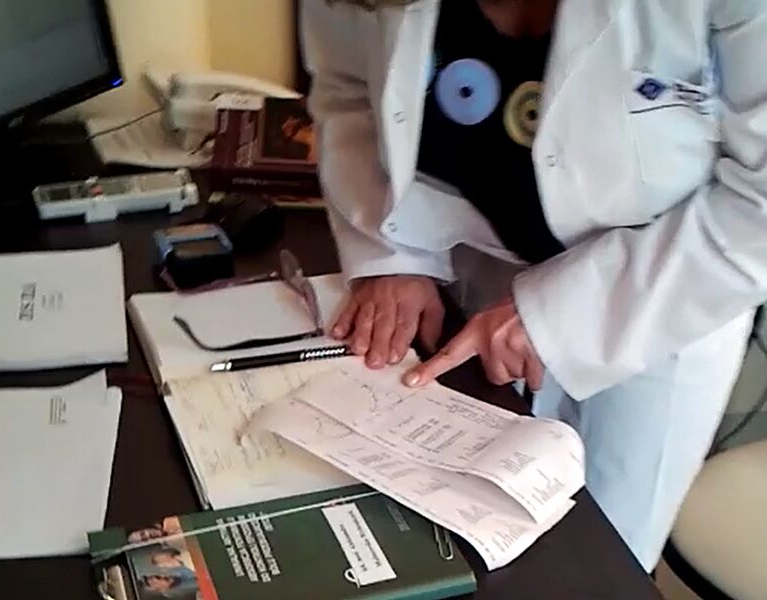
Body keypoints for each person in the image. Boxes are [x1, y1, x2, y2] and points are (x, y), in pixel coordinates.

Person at [301, 0, 767, 572]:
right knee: (455, 540)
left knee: (592, 565)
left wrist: (561, 317)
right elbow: (347, 89)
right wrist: (390, 251)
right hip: (468, 263)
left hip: (665, 288)